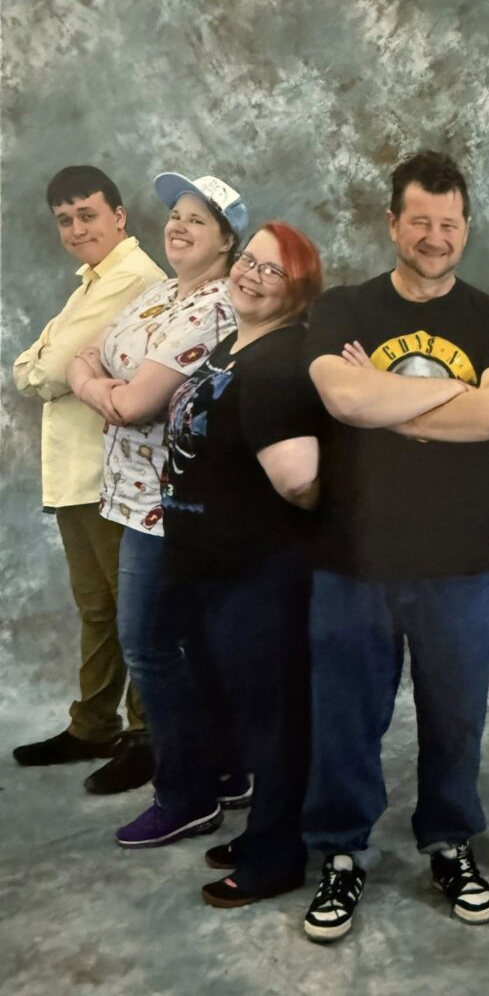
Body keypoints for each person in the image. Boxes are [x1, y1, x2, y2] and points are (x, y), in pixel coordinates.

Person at [300, 151, 489, 942]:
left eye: (450, 223)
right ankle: (340, 851)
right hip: (353, 557)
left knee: (457, 717)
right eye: (420, 221)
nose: (436, 237)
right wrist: (457, 392)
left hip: (463, 560)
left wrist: (386, 402)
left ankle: (449, 841)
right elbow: (341, 395)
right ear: (392, 222)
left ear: (467, 228)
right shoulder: (343, 307)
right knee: (344, 719)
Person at [67, 172, 247, 845]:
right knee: (190, 644)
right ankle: (224, 770)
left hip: (169, 506)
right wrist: (102, 381)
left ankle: (185, 795)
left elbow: (134, 401)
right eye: (175, 214)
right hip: (132, 498)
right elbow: (90, 357)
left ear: (226, 241)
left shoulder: (218, 306)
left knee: (148, 646)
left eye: (198, 220)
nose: (178, 226)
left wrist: (95, 381)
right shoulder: (160, 294)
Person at [156, 221, 323, 906]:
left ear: (299, 290)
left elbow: (302, 481)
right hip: (213, 569)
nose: (252, 274)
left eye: (272, 270)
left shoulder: (282, 359)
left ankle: (277, 858)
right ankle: (267, 832)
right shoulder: (237, 341)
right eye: (249, 260)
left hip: (261, 573)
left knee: (272, 722)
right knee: (246, 715)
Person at [12, 165, 165, 794]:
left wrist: (44, 369)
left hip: (116, 476)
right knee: (98, 609)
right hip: (78, 474)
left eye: (88, 215)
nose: (76, 229)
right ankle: (94, 724)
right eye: (65, 220)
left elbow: (45, 371)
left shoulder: (135, 279)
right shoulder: (91, 282)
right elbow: (37, 365)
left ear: (119, 216)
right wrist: (44, 368)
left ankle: (150, 734)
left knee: (135, 614)